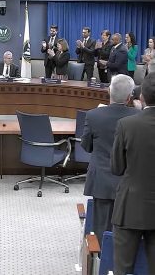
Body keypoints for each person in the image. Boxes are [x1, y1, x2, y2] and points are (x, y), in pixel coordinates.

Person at [81, 74, 138, 247]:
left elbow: (86, 146)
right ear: (130, 97)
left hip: (102, 180)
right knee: (126, 230)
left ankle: (100, 267)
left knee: (101, 230)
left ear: (109, 92)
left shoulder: (93, 115)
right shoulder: (138, 117)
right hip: (129, 182)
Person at [111, 73, 155, 275]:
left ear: (142, 98)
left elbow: (117, 168)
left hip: (130, 207)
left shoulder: (127, 125)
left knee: (123, 268)